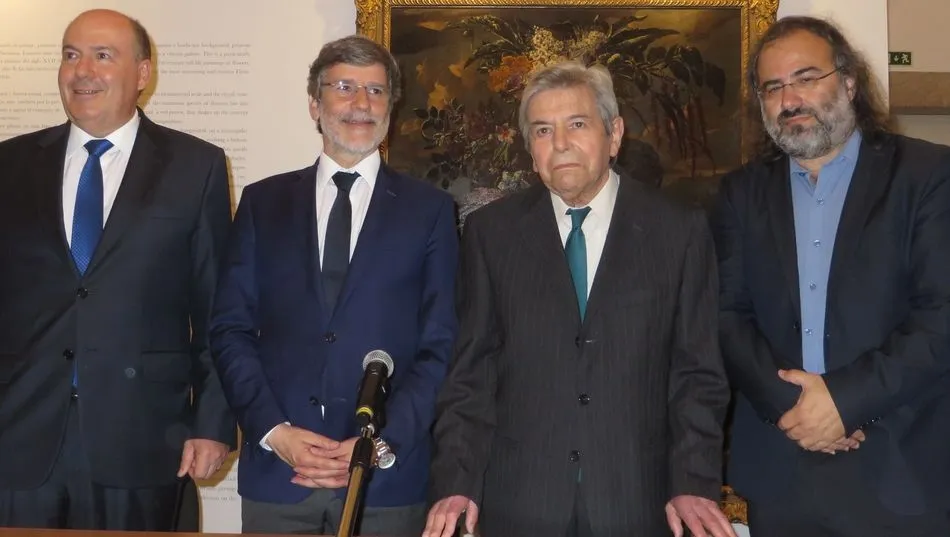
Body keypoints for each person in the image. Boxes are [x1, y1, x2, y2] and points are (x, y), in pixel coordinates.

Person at [424, 60, 734, 537]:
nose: (561, 143)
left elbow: (697, 373)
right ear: (530, 152)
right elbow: (472, 373)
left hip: (637, 500)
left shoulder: (679, 230)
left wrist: (692, 479)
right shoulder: (492, 234)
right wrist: (457, 480)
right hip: (521, 502)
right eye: (543, 130)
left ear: (614, 135)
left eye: (577, 124)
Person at [209, 35, 458, 536]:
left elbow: (442, 344)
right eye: (344, 87)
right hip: (280, 476)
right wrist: (274, 432)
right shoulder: (263, 203)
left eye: (376, 91)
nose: (360, 104)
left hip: (387, 485)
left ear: (391, 107)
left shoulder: (430, 211)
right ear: (313, 104)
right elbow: (230, 329)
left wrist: (379, 443)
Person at [712, 15, 950, 537]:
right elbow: (728, 316)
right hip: (784, 466)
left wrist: (845, 401)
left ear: (848, 82)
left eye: (805, 77)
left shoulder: (928, 176)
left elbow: (941, 317)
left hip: (903, 467)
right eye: (772, 87)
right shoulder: (740, 195)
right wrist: (794, 410)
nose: (789, 97)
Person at [0, 9, 235, 531]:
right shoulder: (9, 166)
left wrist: (214, 423)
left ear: (143, 74)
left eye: (103, 55)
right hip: (17, 443)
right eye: (70, 54)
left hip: (144, 443)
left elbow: (219, 310)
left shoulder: (195, 168)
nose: (83, 71)